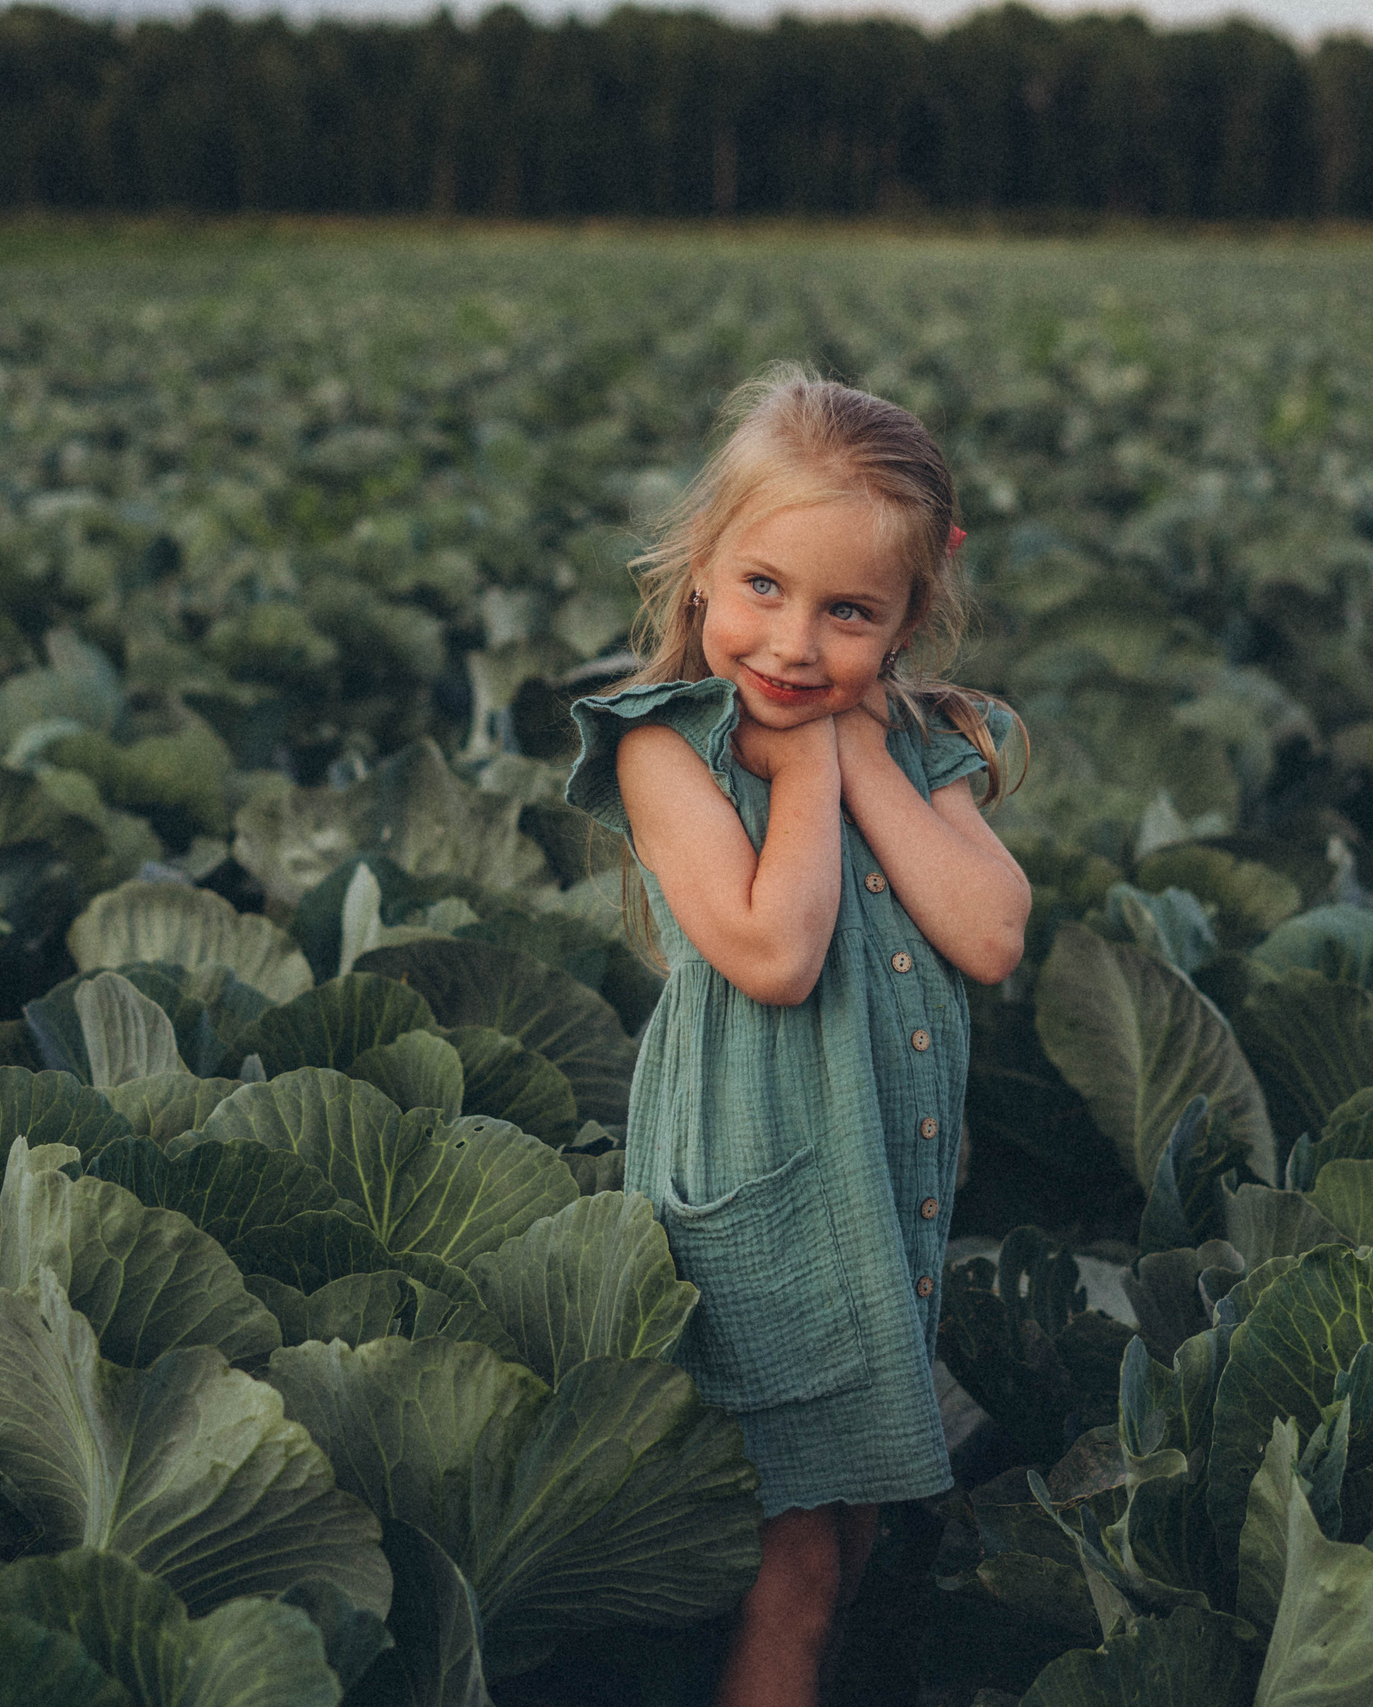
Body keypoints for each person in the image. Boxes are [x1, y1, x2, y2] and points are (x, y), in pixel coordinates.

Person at [563, 364, 1033, 1707]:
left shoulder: (911, 740)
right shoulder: (670, 748)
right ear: (701, 570)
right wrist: (818, 763)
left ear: (903, 623)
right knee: (799, 1551)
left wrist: (862, 753)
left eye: (847, 614)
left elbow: (989, 931)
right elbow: (774, 954)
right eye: (763, 587)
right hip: (764, 1189)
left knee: (856, 1520)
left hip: (885, 1179)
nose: (790, 644)